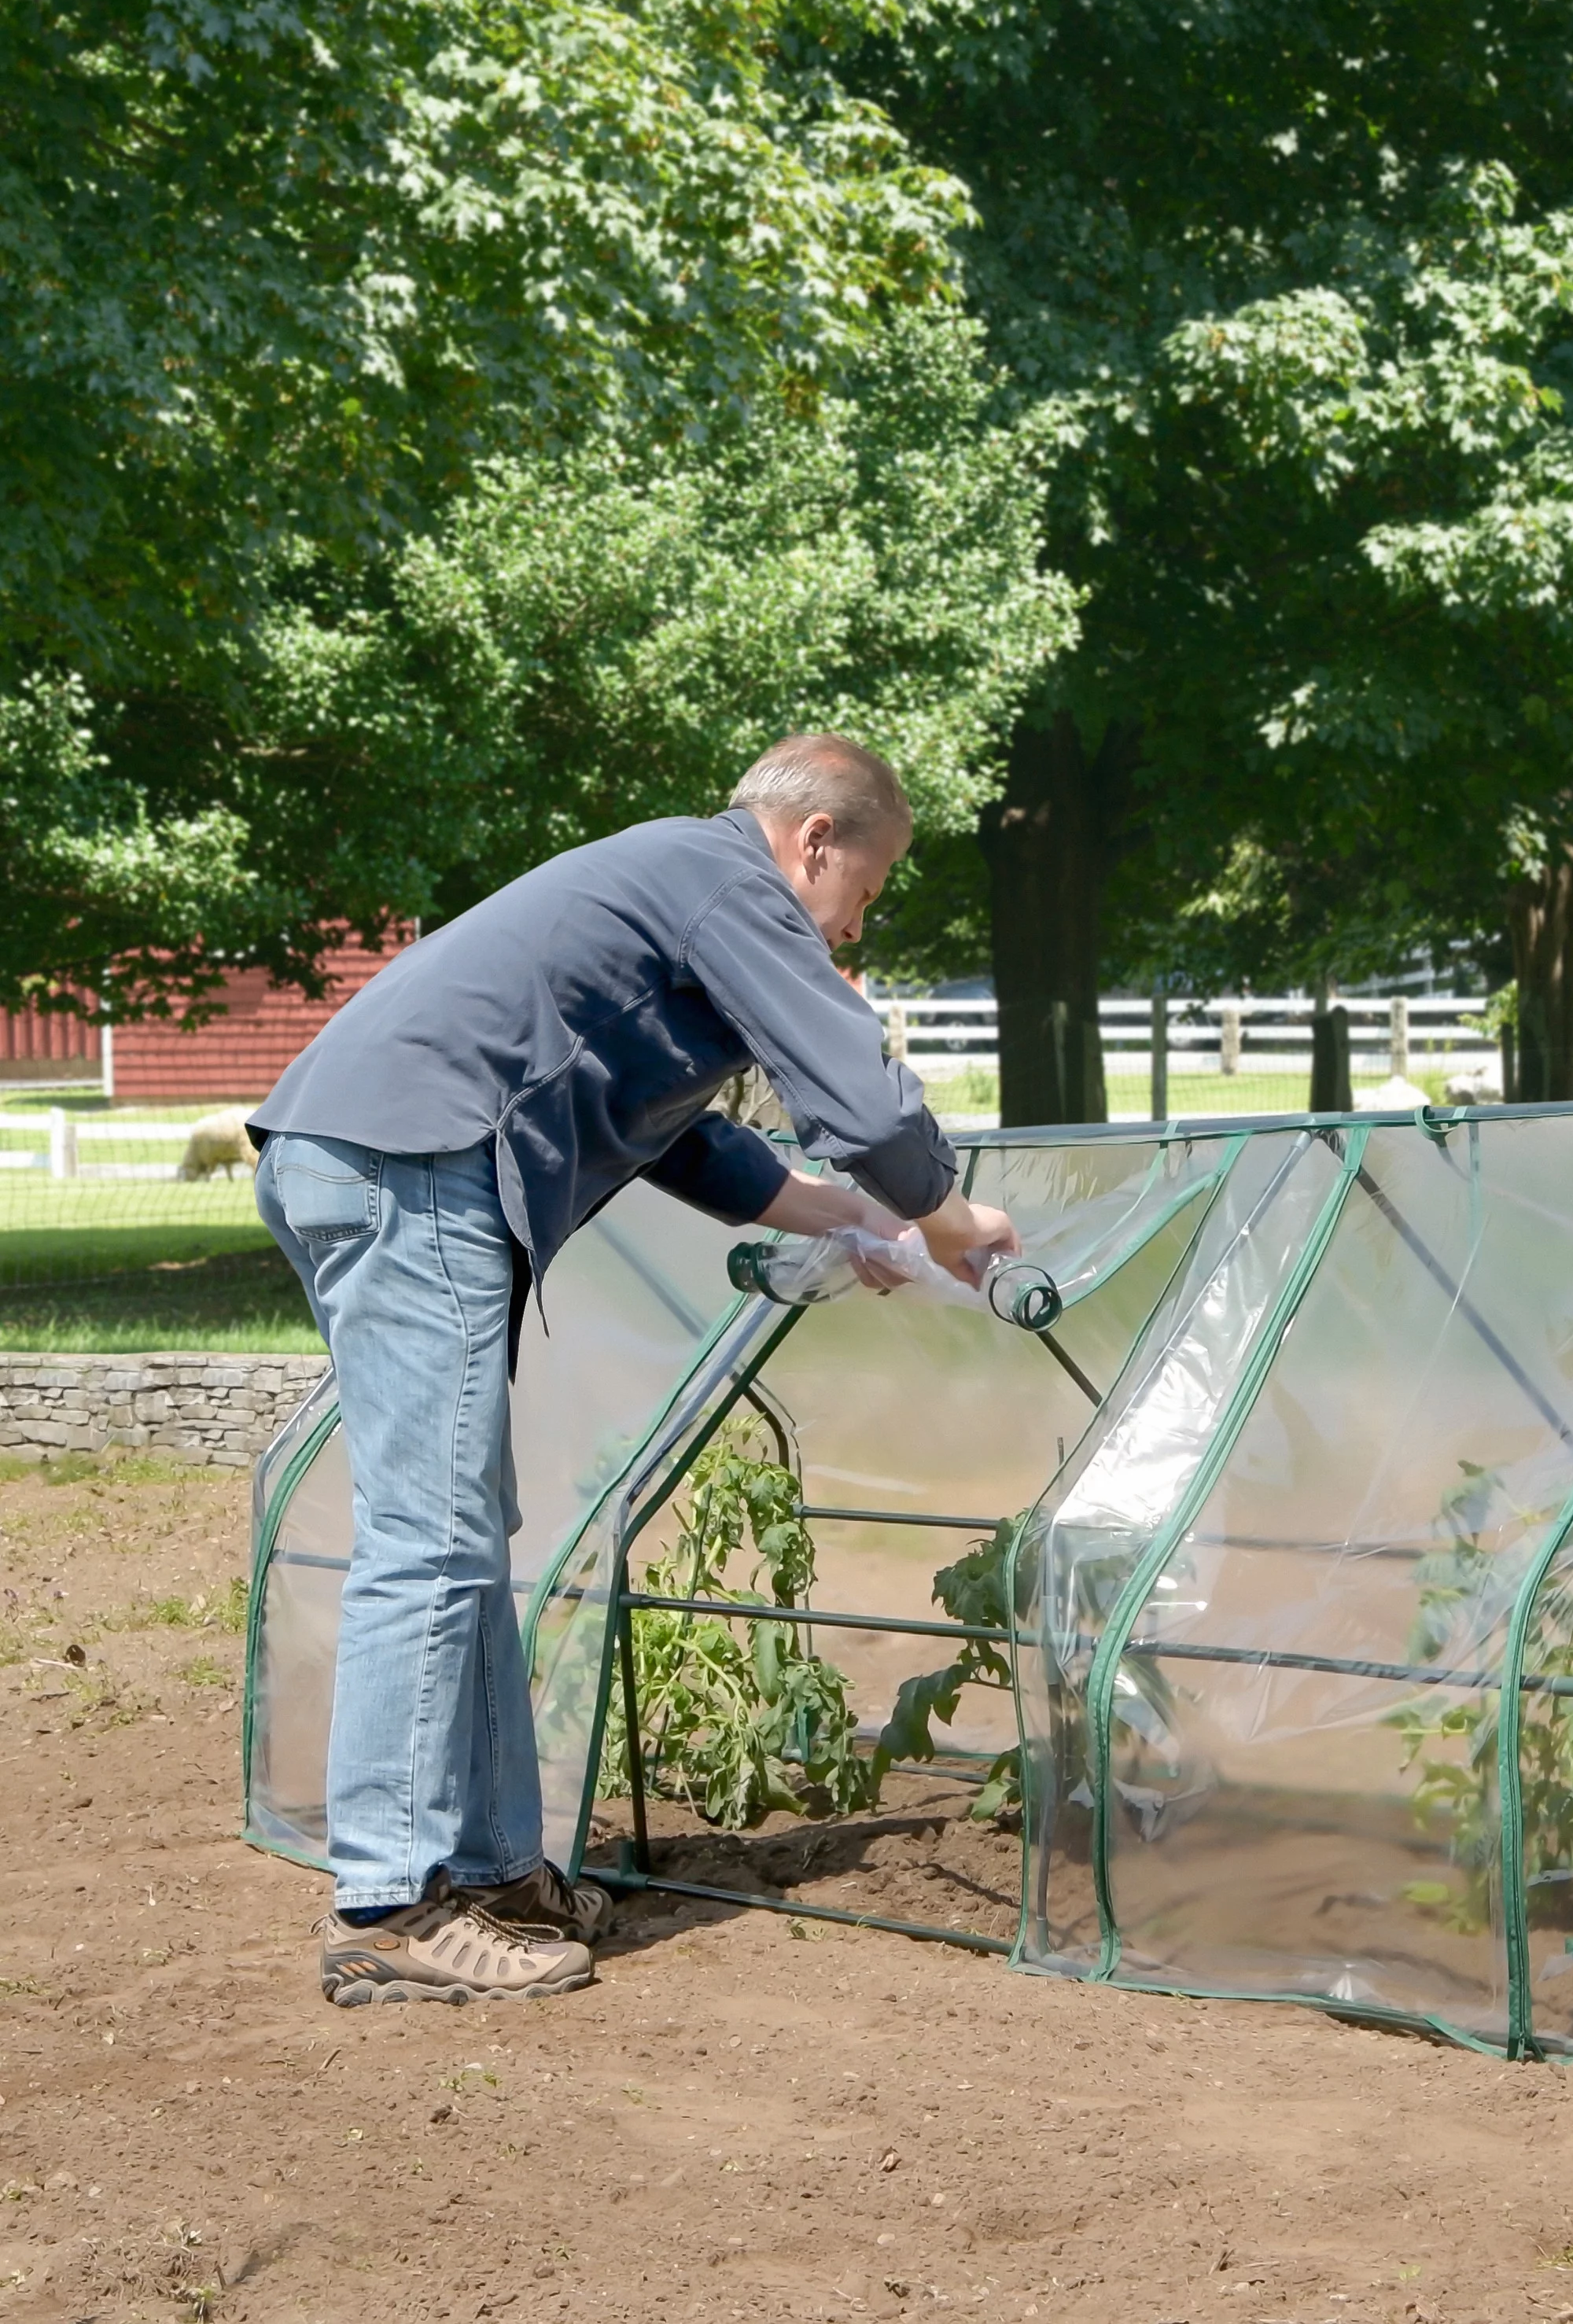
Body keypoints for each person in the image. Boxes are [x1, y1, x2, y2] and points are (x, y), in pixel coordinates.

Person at [250, 734, 1016, 2005]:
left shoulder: (670, 893)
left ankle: (492, 1870)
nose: (854, 930)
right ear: (816, 842)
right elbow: (873, 1108)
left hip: (383, 1153)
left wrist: (851, 1222)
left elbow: (678, 1137)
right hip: (412, 1165)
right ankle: (389, 1906)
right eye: (866, 892)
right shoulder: (730, 886)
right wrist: (947, 1220)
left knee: (460, 1530)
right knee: (429, 1539)